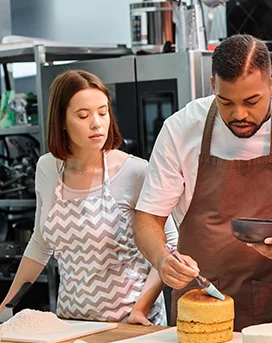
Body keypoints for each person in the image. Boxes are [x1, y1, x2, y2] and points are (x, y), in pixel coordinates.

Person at [134, 34, 272, 330]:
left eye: (252, 101)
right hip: (198, 307)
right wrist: (162, 259)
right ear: (213, 86)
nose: (239, 114)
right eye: (225, 101)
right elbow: (147, 220)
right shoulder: (181, 129)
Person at [0, 70, 178, 325]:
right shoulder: (48, 168)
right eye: (83, 115)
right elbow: (40, 244)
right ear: (61, 120)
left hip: (131, 325)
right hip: (71, 325)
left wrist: (140, 310)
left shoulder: (135, 171)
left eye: (103, 112)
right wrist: (5, 307)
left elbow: (168, 245)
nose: (97, 123)